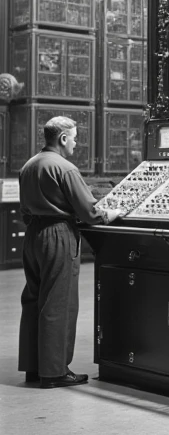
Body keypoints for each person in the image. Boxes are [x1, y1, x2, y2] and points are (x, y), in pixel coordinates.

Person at [18, 116, 121, 389]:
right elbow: (89, 211)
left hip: (33, 236)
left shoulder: (29, 166)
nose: (76, 144)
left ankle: (33, 367)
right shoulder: (65, 168)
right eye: (74, 138)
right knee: (58, 302)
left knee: (33, 300)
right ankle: (54, 372)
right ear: (63, 138)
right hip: (58, 235)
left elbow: (24, 209)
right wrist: (113, 213)